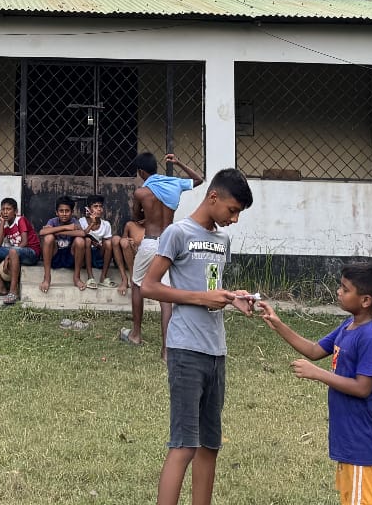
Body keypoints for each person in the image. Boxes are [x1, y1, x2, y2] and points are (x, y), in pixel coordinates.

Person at [139, 168, 255, 505]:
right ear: (213, 197)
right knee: (184, 444)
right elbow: (150, 285)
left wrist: (233, 297)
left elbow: (211, 287)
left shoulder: (223, 241)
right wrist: (201, 299)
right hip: (185, 349)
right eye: (232, 210)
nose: (233, 220)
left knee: (209, 444)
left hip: (215, 350)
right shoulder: (177, 233)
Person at [259, 263, 372, 505]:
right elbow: (314, 350)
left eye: (345, 289)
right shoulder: (347, 326)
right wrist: (277, 323)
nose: (338, 292)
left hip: (360, 441)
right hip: (346, 438)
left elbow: (363, 388)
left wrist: (318, 374)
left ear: (365, 300)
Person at [116, 151, 204, 350]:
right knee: (166, 294)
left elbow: (135, 215)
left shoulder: (142, 192)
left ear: (140, 171)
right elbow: (198, 180)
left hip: (151, 241)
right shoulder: (174, 183)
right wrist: (178, 161)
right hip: (170, 243)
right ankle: (166, 349)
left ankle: (136, 334)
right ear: (156, 168)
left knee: (137, 285)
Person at [0, 197, 38, 306]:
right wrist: (2, 223)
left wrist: (8, 256)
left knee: (12, 251)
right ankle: (0, 287)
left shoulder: (20, 220)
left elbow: (25, 242)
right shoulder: (6, 224)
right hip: (15, 252)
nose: (5, 212)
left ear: (15, 211)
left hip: (31, 252)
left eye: (8, 209)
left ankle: (13, 291)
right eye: (3, 209)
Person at [38, 195, 87, 292]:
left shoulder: (74, 221)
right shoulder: (52, 221)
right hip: (55, 257)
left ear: (72, 212)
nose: (64, 214)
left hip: (70, 257)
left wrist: (58, 232)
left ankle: (76, 277)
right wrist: (66, 227)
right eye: (61, 211)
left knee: (80, 241)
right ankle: (47, 278)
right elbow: (42, 232)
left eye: (67, 211)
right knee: (48, 238)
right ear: (56, 212)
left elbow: (82, 233)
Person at [77, 195, 122, 289]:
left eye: (100, 206)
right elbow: (81, 235)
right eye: (95, 206)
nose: (99, 209)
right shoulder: (82, 221)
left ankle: (103, 277)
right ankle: (90, 277)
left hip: (99, 256)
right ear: (89, 209)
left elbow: (106, 246)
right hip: (85, 255)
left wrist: (99, 245)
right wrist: (92, 223)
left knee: (109, 243)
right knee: (87, 240)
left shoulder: (106, 224)